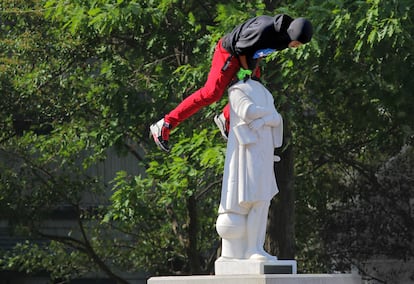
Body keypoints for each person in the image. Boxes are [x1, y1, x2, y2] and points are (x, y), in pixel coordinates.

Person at [150, 14, 312, 152]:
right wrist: (246, 72)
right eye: (298, 43)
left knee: (254, 91)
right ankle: (166, 123)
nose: (297, 46)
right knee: (211, 93)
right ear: (292, 33)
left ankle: (224, 118)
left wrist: (251, 74)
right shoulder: (265, 29)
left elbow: (259, 51)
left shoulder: (285, 39)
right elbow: (241, 48)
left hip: (247, 58)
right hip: (229, 53)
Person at [215, 77, 283, 261]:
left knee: (262, 201)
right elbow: (247, 111)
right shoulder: (237, 90)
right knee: (254, 199)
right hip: (247, 154)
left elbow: (277, 118)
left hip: (265, 151)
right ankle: (251, 248)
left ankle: (255, 247)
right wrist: (267, 115)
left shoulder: (263, 91)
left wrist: (265, 120)